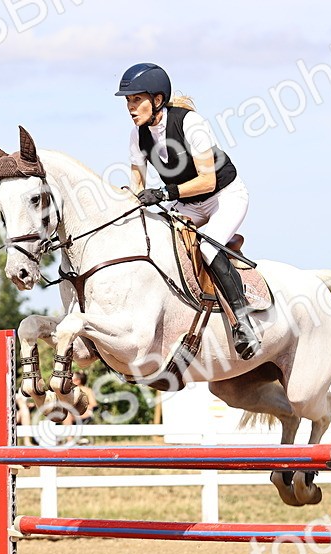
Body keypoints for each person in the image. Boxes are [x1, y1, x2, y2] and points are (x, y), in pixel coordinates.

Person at [116, 62, 260, 360]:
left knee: (206, 247)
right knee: (162, 246)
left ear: (157, 100)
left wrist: (165, 193)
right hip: (187, 204)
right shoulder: (137, 135)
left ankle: (243, 321)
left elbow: (207, 179)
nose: (130, 108)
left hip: (224, 196)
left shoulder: (190, 123)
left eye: (136, 100)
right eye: (128, 101)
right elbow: (137, 182)